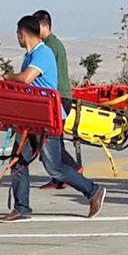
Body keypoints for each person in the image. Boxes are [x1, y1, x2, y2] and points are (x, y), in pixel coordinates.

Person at [0, 15, 106, 222]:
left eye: (18, 34)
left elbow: (26, 79)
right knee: (18, 162)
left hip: (48, 118)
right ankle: (21, 208)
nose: (17, 38)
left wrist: (7, 77)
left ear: (23, 34)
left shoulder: (43, 53)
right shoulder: (30, 56)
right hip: (33, 118)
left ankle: (93, 190)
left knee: (54, 166)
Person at [32, 10, 84, 190]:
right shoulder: (50, 44)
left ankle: (74, 171)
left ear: (45, 26)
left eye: (36, 27)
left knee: (52, 141)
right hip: (59, 97)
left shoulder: (48, 47)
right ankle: (59, 178)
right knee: (53, 140)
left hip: (59, 97)